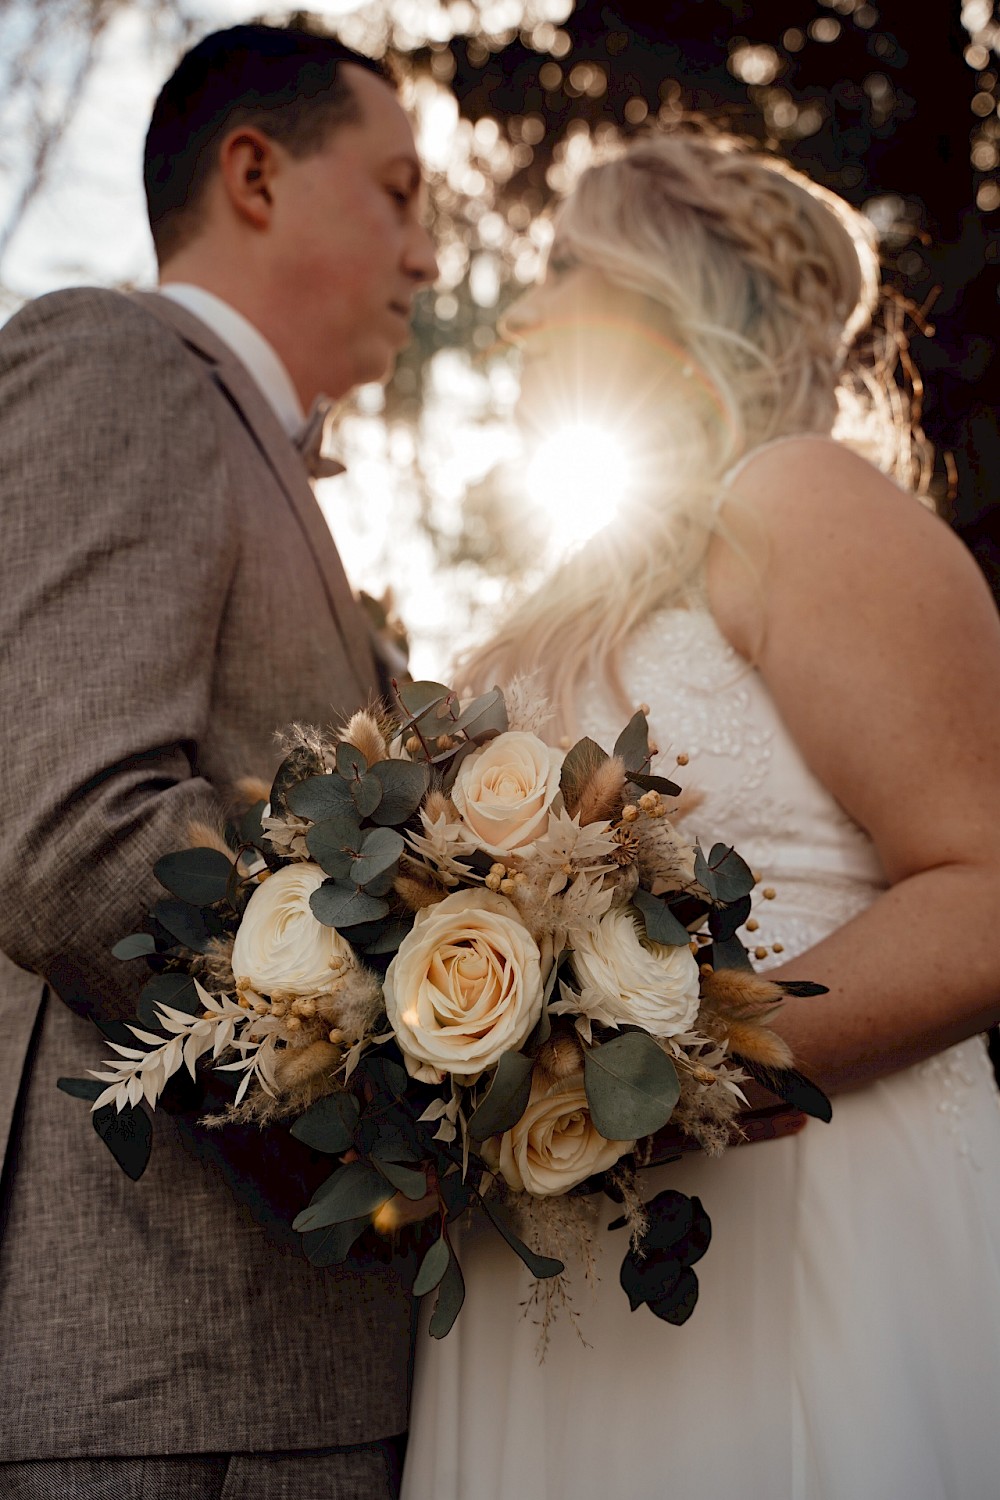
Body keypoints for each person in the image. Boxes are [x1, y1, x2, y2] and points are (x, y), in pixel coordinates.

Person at [402, 132, 1000, 1499]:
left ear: (661, 285)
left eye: (559, 264)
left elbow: (986, 886)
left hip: (786, 1216)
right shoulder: (580, 580)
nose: (521, 307)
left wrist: (669, 1081)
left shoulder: (797, 500)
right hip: (556, 1254)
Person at [0, 23, 436, 1499]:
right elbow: (76, 833)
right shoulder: (118, 363)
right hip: (173, 1372)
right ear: (256, 173)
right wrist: (423, 1083)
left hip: (269, 1379)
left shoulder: (265, 457)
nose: (428, 255)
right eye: (397, 192)